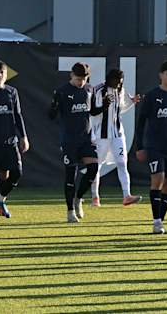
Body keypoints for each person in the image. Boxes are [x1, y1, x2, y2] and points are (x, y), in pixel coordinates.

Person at [132, 60, 167, 234]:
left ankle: (160, 220)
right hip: (154, 146)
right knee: (158, 178)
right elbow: (141, 122)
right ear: (161, 75)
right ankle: (156, 221)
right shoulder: (152, 95)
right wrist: (139, 147)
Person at [50, 62, 106, 222]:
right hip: (69, 140)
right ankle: (69, 212)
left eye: (84, 78)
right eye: (78, 78)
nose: (81, 81)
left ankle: (78, 199)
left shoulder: (90, 89)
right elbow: (51, 116)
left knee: (93, 168)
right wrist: (53, 106)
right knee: (70, 176)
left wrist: (104, 106)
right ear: (71, 75)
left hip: (86, 139)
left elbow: (93, 110)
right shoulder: (62, 91)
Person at [89, 68, 141, 208]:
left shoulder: (120, 90)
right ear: (109, 79)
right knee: (96, 166)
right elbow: (92, 112)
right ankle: (95, 197)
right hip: (101, 135)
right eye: (116, 82)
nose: (118, 84)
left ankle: (127, 195)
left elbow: (120, 109)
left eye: (121, 82)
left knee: (122, 163)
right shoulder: (98, 90)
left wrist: (132, 102)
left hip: (118, 134)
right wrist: (103, 106)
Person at [0, 60, 28, 219]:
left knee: (16, 173)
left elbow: (18, 115)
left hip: (10, 142)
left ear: (6, 75)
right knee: (0, 175)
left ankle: (0, 200)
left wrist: (24, 137)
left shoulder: (11, 92)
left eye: (1, 72)